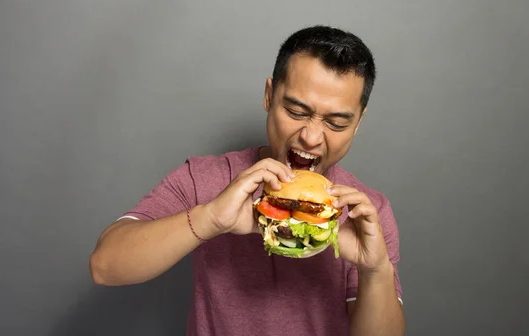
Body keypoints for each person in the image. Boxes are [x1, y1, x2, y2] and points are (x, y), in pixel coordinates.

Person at [89, 25, 406, 336]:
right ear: (269, 96)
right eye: (296, 111)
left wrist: (375, 269)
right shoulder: (206, 178)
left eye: (335, 123)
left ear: (358, 123)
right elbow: (105, 266)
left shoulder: (367, 212)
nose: (311, 138)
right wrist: (210, 218)